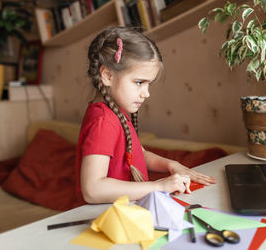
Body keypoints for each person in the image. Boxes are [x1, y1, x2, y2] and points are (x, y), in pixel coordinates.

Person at [76, 26, 216, 204]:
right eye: (139, 82)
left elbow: (138, 154)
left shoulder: (115, 112)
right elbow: (92, 189)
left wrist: (172, 165)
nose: (146, 93)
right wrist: (159, 186)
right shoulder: (104, 121)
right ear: (107, 75)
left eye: (148, 84)